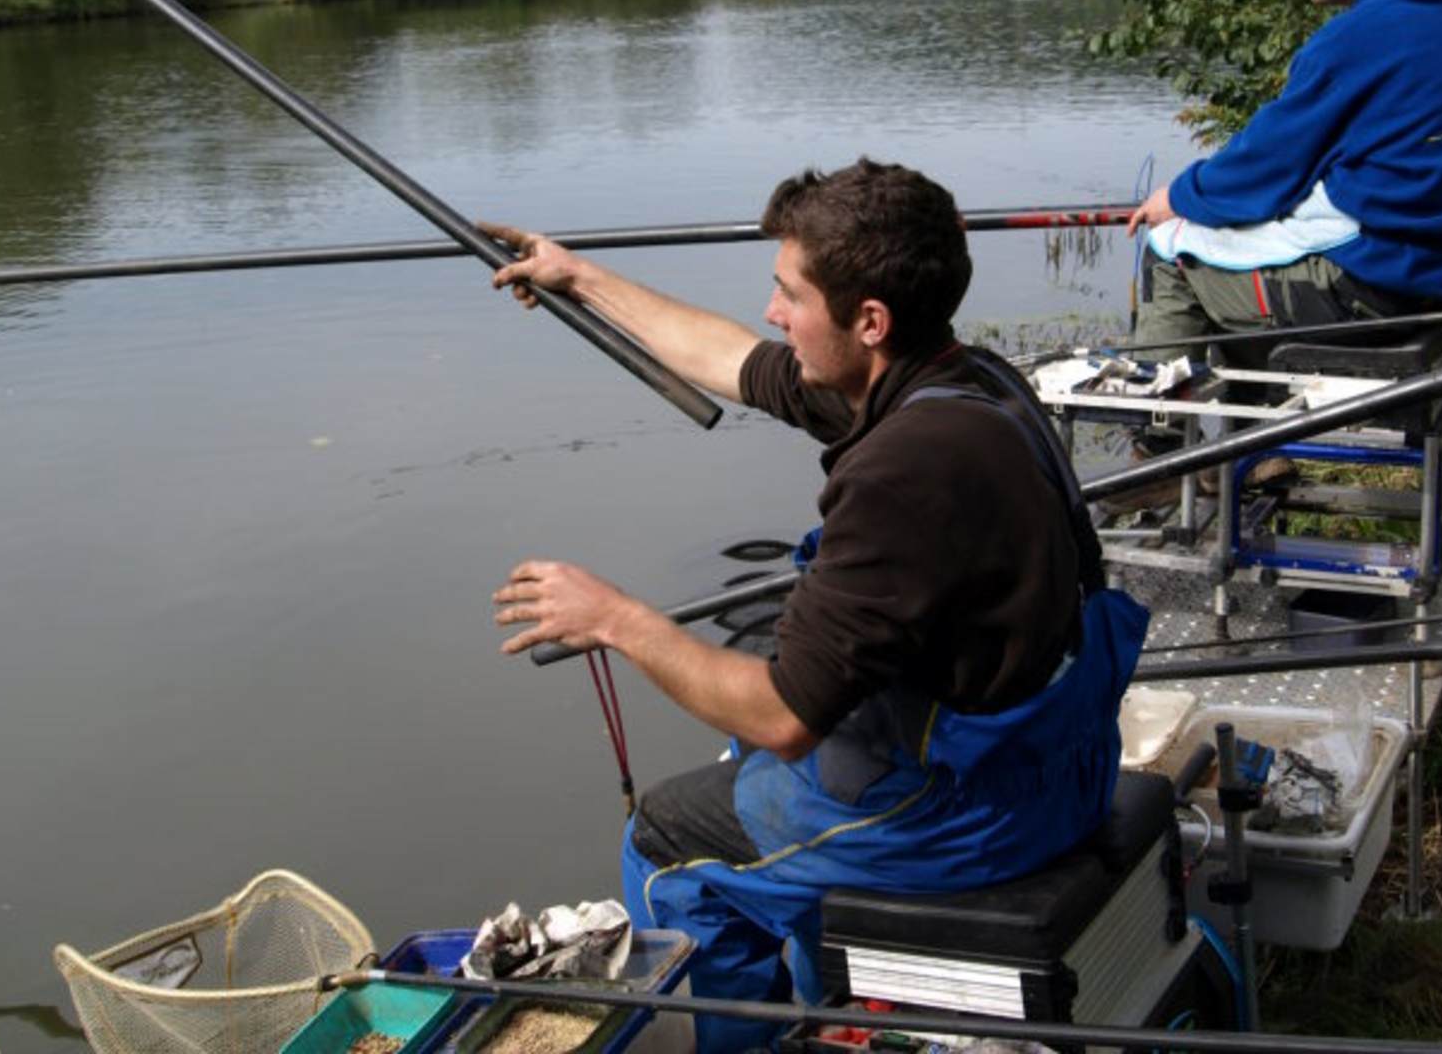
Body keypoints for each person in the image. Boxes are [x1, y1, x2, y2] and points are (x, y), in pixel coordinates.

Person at [483, 158, 1147, 1054]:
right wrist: (582, 278)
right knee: (749, 759)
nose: (773, 312)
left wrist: (616, 618)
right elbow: (730, 360)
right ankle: (824, 984)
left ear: (869, 320)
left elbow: (785, 716)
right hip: (1068, 763)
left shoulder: (902, 472)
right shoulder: (964, 381)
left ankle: (750, 1042)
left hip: (971, 816)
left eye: (789, 294)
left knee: (671, 839)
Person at [1115, 0, 1442, 500]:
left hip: (1372, 291)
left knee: (1173, 252)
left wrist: (1177, 196)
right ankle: (1254, 453)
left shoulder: (1357, 40)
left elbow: (1263, 174)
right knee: (1244, 262)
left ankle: (1159, 460)